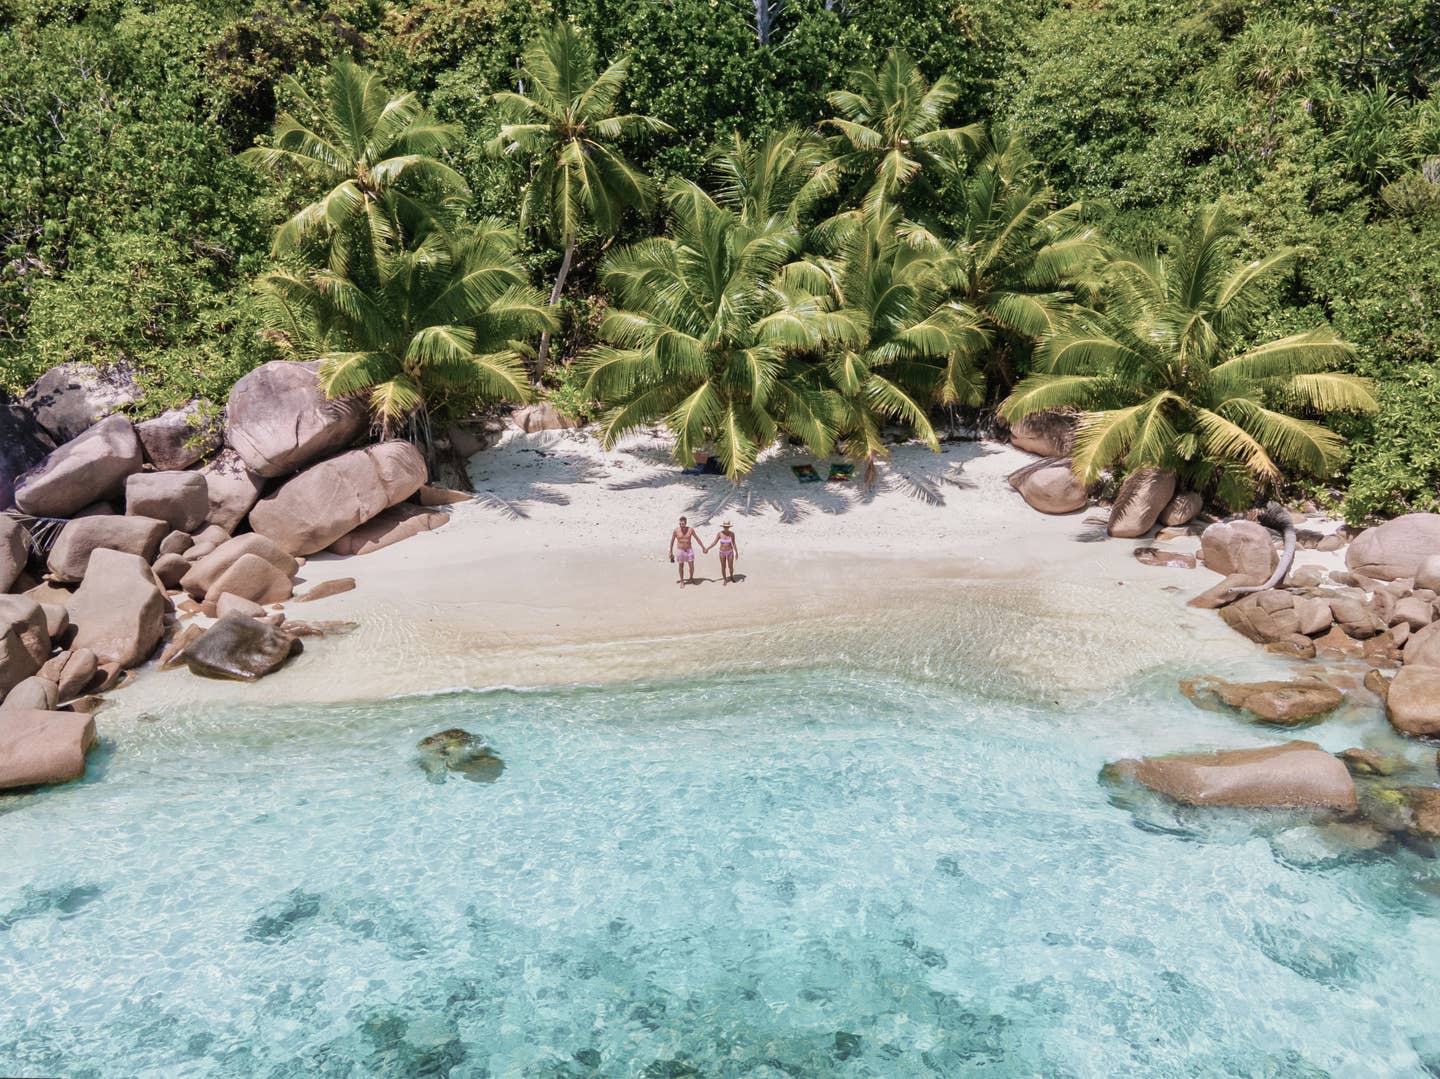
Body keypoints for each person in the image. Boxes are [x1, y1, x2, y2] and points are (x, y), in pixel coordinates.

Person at [669, 516, 703, 585]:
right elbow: (672, 541)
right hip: (680, 550)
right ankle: (682, 581)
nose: (682, 525)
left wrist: (703, 547)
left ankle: (691, 578)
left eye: (683, 524)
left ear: (686, 523)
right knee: (681, 566)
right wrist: (670, 552)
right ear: (679, 523)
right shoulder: (676, 531)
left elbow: (697, 539)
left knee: (691, 565)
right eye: (680, 524)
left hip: (689, 550)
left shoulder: (690, 530)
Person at [705, 520, 739, 585]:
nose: (726, 528)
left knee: (730, 567)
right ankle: (725, 579)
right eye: (725, 527)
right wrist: (708, 548)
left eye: (727, 527)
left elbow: (734, 543)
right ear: (723, 527)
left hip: (730, 552)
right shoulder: (720, 533)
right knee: (723, 567)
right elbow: (714, 542)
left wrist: (736, 553)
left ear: (729, 527)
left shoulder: (732, 534)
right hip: (722, 552)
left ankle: (731, 576)